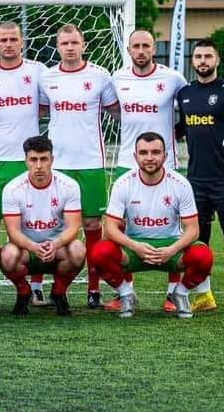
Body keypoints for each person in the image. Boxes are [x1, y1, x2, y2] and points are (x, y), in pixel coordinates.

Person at [90, 132, 214, 319]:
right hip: (135, 247)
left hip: (171, 247)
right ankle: (126, 294)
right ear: (135, 156)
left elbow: (193, 229)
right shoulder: (123, 183)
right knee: (99, 253)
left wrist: (172, 250)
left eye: (155, 152)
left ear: (165, 156)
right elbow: (110, 227)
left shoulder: (180, 184)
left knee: (203, 256)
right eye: (143, 152)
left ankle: (180, 294)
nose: (149, 158)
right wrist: (135, 246)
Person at [40, 23, 119, 310]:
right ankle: (47, 287)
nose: (70, 48)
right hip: (57, 165)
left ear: (83, 45)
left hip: (91, 162)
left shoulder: (100, 76)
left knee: (92, 225)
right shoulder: (47, 78)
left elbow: (116, 111)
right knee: (53, 224)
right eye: (64, 43)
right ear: (57, 47)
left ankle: (94, 289)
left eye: (74, 42)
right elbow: (39, 110)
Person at [110, 29, 188, 312]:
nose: (141, 51)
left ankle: (172, 293)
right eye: (136, 46)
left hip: (165, 162)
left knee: (172, 223)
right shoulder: (118, 78)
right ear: (129, 50)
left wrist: (177, 132)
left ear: (154, 49)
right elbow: (113, 109)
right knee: (121, 226)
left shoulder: (173, 78)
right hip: (127, 160)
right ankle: (125, 292)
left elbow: (190, 107)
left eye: (146, 46)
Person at [176, 38, 224, 317]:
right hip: (196, 180)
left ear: (217, 60)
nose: (203, 61)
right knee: (199, 240)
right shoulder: (185, 93)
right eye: (198, 56)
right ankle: (204, 294)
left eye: (208, 56)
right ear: (193, 60)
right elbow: (182, 129)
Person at [0, 22, 48, 303]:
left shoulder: (37, 71)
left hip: (27, 161)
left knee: (35, 223)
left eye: (13, 39)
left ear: (22, 42)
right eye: (3, 40)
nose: (8, 44)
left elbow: (44, 107)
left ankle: (37, 286)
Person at [0, 135, 84, 318]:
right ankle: (23, 292)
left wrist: (55, 244)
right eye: (33, 159)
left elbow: (73, 228)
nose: (39, 165)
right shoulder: (13, 189)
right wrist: (35, 247)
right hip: (26, 249)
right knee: (8, 255)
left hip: (57, 248)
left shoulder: (69, 186)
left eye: (44, 159)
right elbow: (13, 232)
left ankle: (59, 292)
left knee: (78, 250)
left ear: (52, 160)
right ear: (26, 160)